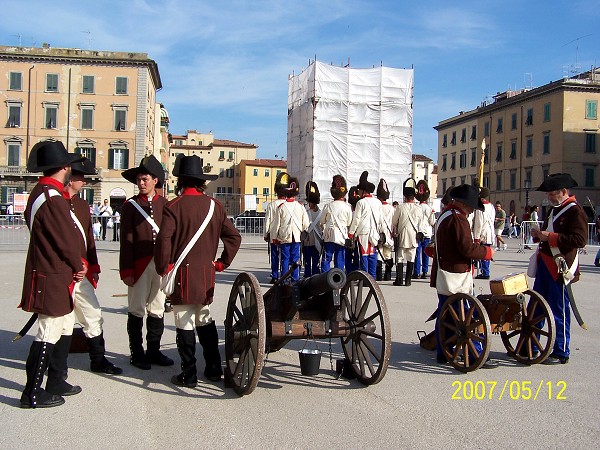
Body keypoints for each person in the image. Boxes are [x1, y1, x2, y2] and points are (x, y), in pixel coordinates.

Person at [155, 155, 241, 386]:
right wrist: (222, 262)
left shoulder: (173, 206)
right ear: (201, 181)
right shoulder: (215, 206)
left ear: (181, 180)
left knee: (184, 322)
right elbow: (234, 237)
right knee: (204, 319)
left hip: (182, 273)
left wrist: (163, 267)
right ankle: (213, 368)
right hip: (206, 275)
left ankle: (189, 374)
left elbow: (164, 241)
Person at [19, 140, 86, 408]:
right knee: (48, 330)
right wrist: (78, 264)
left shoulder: (42, 193)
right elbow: (65, 239)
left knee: (64, 325)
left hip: (54, 272)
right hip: (53, 272)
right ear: (64, 168)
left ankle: (56, 379)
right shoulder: (52, 198)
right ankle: (32, 393)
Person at [62, 158, 122, 375]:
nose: (85, 182)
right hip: (62, 273)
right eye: (82, 177)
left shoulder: (80, 205)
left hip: (82, 272)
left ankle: (98, 360)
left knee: (93, 315)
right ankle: (57, 369)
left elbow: (89, 240)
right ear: (72, 178)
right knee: (62, 323)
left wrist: (93, 266)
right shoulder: (55, 201)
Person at [429, 184, 496, 368]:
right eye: (470, 206)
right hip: (457, 274)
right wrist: (486, 252)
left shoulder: (445, 215)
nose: (471, 210)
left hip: (445, 271)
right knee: (467, 316)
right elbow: (466, 249)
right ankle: (475, 353)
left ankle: (444, 351)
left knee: (445, 313)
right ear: (464, 204)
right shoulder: (459, 219)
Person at [120, 155, 174, 370]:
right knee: (136, 310)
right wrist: (127, 270)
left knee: (157, 308)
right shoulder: (130, 206)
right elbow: (126, 240)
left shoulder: (166, 204)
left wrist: (169, 263)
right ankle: (136, 353)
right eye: (139, 180)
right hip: (139, 264)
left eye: (145, 179)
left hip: (160, 264)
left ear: (155, 181)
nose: (141, 183)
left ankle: (154, 351)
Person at [530, 173, 588, 364]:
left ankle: (561, 350)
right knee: (537, 306)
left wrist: (551, 237)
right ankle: (530, 345)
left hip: (560, 267)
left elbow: (579, 240)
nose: (549, 197)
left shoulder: (575, 211)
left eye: (552, 193)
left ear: (564, 192)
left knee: (558, 310)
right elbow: (550, 234)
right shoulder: (554, 210)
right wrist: (539, 235)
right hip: (545, 263)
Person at [272, 173, 309, 282]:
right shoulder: (300, 206)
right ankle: (295, 280)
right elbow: (306, 223)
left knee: (284, 259)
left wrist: (274, 237)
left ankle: (283, 280)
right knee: (295, 259)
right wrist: (303, 231)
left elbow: (276, 224)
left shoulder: (281, 207)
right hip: (296, 236)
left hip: (284, 236)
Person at [348, 171, 383, 279]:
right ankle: (372, 277)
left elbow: (356, 219)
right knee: (372, 255)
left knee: (363, 255)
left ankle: (365, 278)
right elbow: (381, 219)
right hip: (374, 232)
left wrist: (351, 233)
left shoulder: (360, 203)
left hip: (363, 232)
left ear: (363, 190)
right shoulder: (378, 202)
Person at [391, 182, 424, 286]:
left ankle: (399, 280)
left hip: (403, 235)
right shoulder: (419, 208)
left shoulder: (400, 208)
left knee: (400, 257)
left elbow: (394, 221)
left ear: (405, 196)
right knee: (411, 257)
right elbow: (421, 224)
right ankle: (408, 280)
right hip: (414, 236)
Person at [320, 175, 352, 272]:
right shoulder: (347, 207)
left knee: (326, 259)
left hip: (329, 235)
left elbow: (322, 221)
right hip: (342, 235)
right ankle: (339, 279)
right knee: (340, 259)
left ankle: (324, 279)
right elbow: (349, 222)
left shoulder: (328, 206)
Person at [263, 173, 287, 283]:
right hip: (285, 234)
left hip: (273, 234)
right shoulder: (288, 204)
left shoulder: (271, 205)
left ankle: (274, 275)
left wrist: (265, 234)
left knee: (274, 256)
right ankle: (284, 275)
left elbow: (267, 220)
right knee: (285, 256)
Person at [472, 187, 496, 280]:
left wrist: (477, 237)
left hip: (483, 233)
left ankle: (485, 272)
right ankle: (486, 271)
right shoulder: (491, 206)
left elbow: (478, 224)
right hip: (490, 232)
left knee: (483, 253)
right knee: (487, 252)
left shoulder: (479, 208)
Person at [302, 181, 322, 278]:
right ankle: (314, 275)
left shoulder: (306, 213)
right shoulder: (320, 213)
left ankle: (309, 275)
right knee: (313, 261)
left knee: (310, 261)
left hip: (310, 241)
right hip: (314, 241)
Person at [414, 195, 436, 280]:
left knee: (417, 253)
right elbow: (432, 222)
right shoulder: (429, 208)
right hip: (427, 232)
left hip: (418, 232)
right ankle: (425, 271)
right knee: (425, 253)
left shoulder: (416, 207)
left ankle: (416, 272)